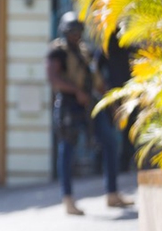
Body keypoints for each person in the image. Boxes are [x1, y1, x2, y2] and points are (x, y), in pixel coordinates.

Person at [46, 11, 133, 215]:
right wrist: (75, 91)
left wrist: (110, 102)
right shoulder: (57, 52)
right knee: (67, 150)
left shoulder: (85, 52)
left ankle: (112, 193)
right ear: (65, 32)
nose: (76, 35)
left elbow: (95, 80)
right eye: (72, 31)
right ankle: (67, 199)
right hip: (69, 106)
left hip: (88, 106)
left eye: (78, 31)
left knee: (109, 142)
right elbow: (53, 78)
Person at [93, 33, 137, 172]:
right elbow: (95, 70)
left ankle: (122, 165)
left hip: (127, 94)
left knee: (127, 132)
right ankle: (101, 165)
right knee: (107, 133)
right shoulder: (106, 48)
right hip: (112, 96)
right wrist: (103, 87)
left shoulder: (128, 47)